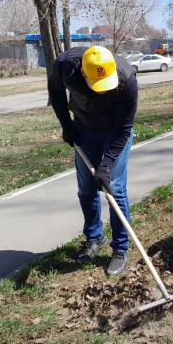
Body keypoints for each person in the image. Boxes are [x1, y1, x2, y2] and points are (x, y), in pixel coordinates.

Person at [48, 45, 138, 276]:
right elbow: (56, 94)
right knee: (86, 189)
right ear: (83, 73)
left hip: (114, 132)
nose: (102, 91)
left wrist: (105, 166)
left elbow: (124, 130)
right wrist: (66, 125)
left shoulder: (127, 79)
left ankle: (120, 249)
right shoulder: (63, 67)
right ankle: (94, 238)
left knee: (114, 189)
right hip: (83, 128)